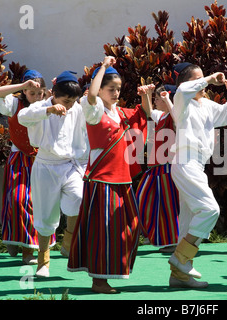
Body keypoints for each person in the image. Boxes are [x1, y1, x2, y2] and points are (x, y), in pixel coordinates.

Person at [67, 56, 149, 294]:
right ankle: (99, 281)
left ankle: (107, 273)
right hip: (102, 180)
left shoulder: (122, 113)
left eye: (118, 89)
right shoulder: (93, 110)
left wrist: (145, 94)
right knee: (105, 231)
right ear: (100, 88)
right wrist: (101, 68)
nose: (115, 93)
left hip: (122, 179)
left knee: (128, 228)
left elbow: (146, 115)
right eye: (110, 89)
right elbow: (91, 96)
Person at [168, 63, 227, 288]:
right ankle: (180, 258)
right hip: (185, 162)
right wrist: (209, 77)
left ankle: (178, 276)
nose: (205, 82)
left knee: (190, 220)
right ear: (186, 82)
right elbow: (182, 90)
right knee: (210, 210)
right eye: (197, 79)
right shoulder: (182, 100)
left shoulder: (206, 104)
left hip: (197, 165)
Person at [18, 70, 89, 277]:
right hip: (45, 166)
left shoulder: (77, 108)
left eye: (73, 100)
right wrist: (48, 110)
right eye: (65, 100)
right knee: (45, 214)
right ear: (53, 94)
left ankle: (68, 242)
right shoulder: (40, 106)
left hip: (70, 165)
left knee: (78, 198)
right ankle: (43, 261)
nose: (69, 105)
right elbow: (23, 117)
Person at [0, 70, 55, 265]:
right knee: (18, 199)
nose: (36, 97)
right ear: (25, 93)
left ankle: (29, 249)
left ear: (44, 92)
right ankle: (17, 241)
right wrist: (21, 86)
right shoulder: (13, 105)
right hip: (19, 159)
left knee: (40, 204)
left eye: (39, 93)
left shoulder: (48, 106)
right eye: (31, 93)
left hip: (42, 160)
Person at [136, 84, 180, 253]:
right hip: (155, 169)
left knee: (168, 206)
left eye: (157, 96)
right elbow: (148, 111)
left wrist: (168, 99)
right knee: (142, 199)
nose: (155, 99)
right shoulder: (161, 116)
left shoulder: (174, 116)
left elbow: (178, 119)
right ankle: (154, 235)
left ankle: (172, 241)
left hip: (168, 168)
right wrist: (145, 94)